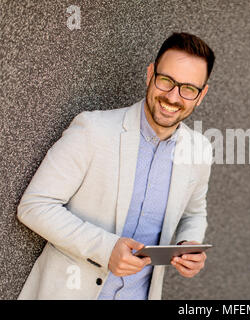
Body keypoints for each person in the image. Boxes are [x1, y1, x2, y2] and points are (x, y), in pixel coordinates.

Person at [16, 32, 215, 300]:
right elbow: (35, 205)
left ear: (201, 95)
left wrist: (187, 245)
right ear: (150, 75)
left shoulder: (199, 150)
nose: (173, 97)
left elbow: (194, 213)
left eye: (188, 89)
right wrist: (105, 248)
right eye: (166, 80)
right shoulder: (93, 129)